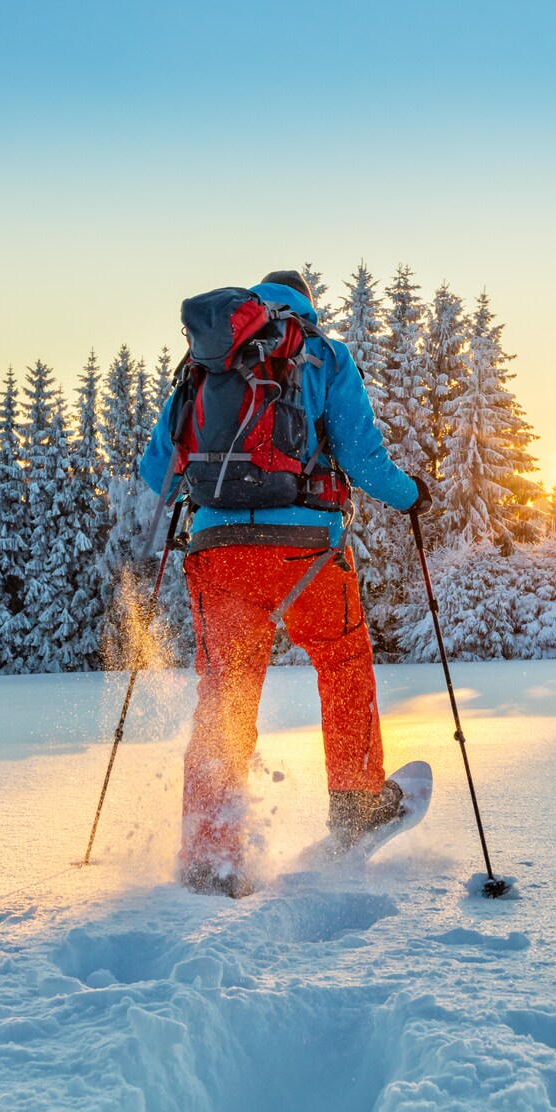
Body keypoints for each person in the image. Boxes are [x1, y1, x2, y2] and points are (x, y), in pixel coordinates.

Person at [138, 270, 428, 896]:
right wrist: (411, 497)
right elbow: (361, 457)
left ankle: (211, 854)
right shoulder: (321, 353)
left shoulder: (203, 363)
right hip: (306, 552)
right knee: (343, 660)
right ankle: (355, 804)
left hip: (217, 554)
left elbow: (156, 468)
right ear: (306, 306)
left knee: (225, 693)